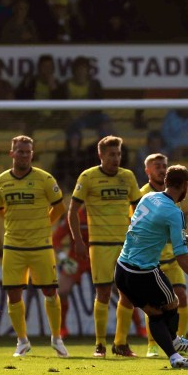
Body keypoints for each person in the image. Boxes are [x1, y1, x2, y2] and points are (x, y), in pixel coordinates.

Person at [116, 164, 188, 368]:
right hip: (143, 272)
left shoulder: (148, 198)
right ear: (185, 186)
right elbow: (181, 257)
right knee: (172, 302)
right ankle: (176, 341)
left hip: (122, 270)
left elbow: (151, 230)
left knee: (155, 313)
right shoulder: (174, 212)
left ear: (166, 182)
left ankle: (175, 356)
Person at [0, 135, 71, 357]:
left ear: (32, 154)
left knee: (51, 292)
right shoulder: (0, 181)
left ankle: (56, 338)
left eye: (27, 152)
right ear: (12, 153)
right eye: (20, 151)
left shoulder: (45, 179)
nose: (24, 155)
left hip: (41, 247)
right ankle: (22, 341)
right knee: (14, 295)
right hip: (13, 247)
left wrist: (44, 225)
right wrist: (14, 221)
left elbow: (60, 208)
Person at [68, 135, 143, 358]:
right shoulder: (88, 177)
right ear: (100, 155)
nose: (116, 158)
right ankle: (100, 344)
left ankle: (121, 343)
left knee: (128, 294)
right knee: (102, 292)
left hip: (126, 245)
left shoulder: (127, 177)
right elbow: (72, 211)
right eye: (111, 154)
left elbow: (138, 209)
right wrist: (78, 241)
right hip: (99, 244)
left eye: (119, 154)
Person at [139, 153, 188, 358]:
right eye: (157, 166)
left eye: (164, 165)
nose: (162, 169)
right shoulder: (144, 195)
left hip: (171, 258)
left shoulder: (174, 200)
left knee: (180, 296)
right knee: (156, 304)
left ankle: (179, 339)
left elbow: (174, 232)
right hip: (152, 260)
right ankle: (153, 344)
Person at [52, 204, 91, 339]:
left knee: (120, 289)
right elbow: (55, 238)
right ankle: (62, 328)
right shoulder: (73, 216)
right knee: (62, 291)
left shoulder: (103, 214)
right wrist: (62, 257)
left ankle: (138, 327)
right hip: (75, 260)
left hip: (97, 257)